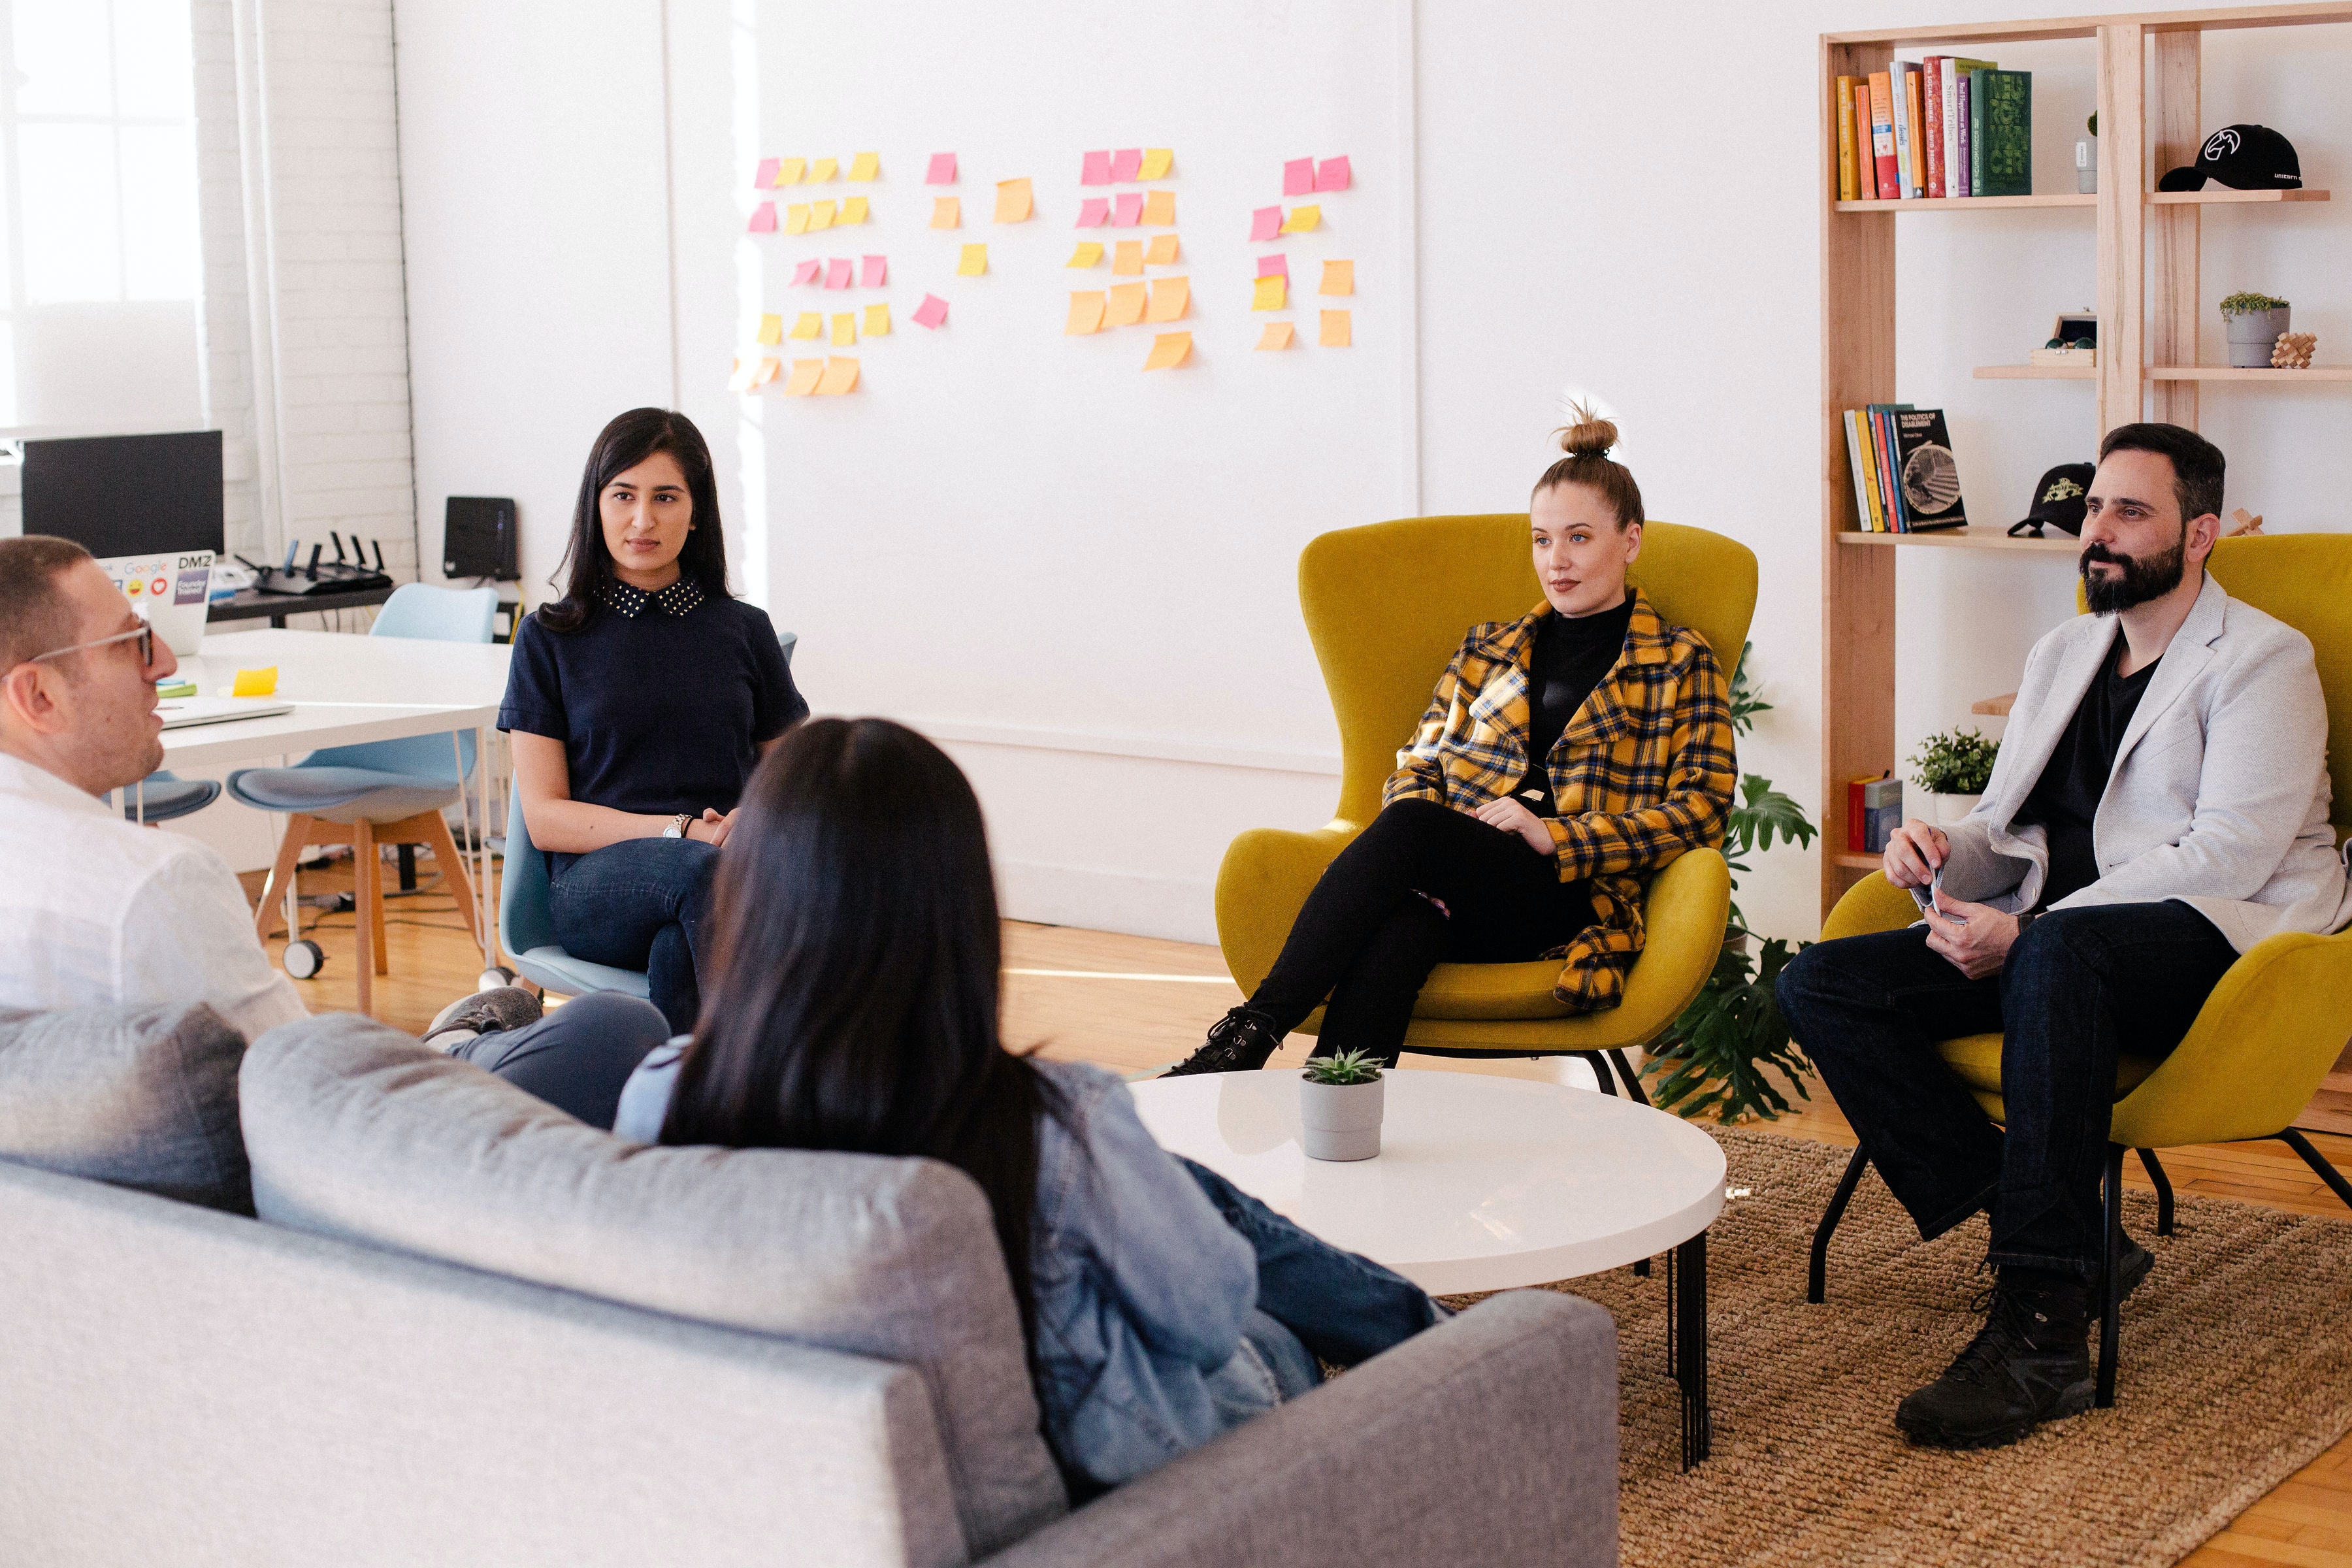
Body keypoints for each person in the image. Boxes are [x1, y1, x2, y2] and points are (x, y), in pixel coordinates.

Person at [542, 717, 1439, 1492]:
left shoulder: (666, 1091)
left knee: (1172, 1186)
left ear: (752, 904)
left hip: (818, 1469)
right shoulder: (1047, 1120)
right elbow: (1205, 1316)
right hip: (1118, 1474)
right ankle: (1439, 1351)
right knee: (1262, 1324)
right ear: (958, 909)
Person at [1776, 422, 2352, 1452]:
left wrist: (2028, 930)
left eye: (2132, 512)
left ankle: (2044, 1332)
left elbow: (2228, 856)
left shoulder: (2263, 658)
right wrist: (1940, 851)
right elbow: (2013, 828)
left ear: (2202, 532)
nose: (2100, 531)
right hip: (2059, 948)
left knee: (2056, 954)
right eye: (2094, 508)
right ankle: (2069, 1231)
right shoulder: (2064, 652)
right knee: (1824, 981)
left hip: (2224, 945)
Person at [1166, 408, 1737, 1075]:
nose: (1557, 561)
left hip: (1569, 895)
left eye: (1579, 538)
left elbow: (1704, 808)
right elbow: (1419, 762)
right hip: (1457, 876)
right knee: (1404, 926)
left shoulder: (1679, 661)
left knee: (1411, 830)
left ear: (1631, 540)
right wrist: (1454, 838)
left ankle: (1250, 1033)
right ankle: (1334, 1109)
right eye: (1542, 540)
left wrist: (1559, 835)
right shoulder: (1487, 649)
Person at [0, 534, 672, 1085]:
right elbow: (308, 1090)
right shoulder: (151, 886)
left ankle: (453, 1043)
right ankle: (452, 1050)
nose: (167, 661)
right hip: (357, 1152)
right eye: (132, 642)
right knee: (615, 1026)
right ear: (37, 696)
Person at [500, 408, 808, 1034]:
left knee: (681, 950)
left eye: (665, 497)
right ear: (597, 506)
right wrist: (683, 831)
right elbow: (546, 818)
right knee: (707, 876)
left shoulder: (745, 631)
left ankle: (680, 1116)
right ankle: (798, 1081)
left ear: (696, 513)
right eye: (624, 496)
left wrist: (758, 817)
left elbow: (800, 782)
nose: (643, 520)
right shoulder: (549, 638)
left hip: (717, 881)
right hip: (596, 890)